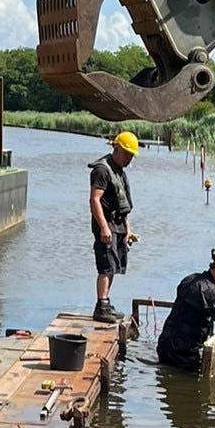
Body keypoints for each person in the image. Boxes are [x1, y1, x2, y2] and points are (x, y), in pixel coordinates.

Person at [90, 131, 140, 323]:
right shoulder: (102, 170)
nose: (129, 159)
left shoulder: (119, 171)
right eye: (127, 154)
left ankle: (106, 303)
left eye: (131, 155)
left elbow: (122, 204)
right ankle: (101, 306)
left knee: (114, 266)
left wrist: (128, 229)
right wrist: (103, 227)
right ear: (116, 149)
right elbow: (95, 200)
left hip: (118, 225)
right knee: (105, 267)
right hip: (107, 225)